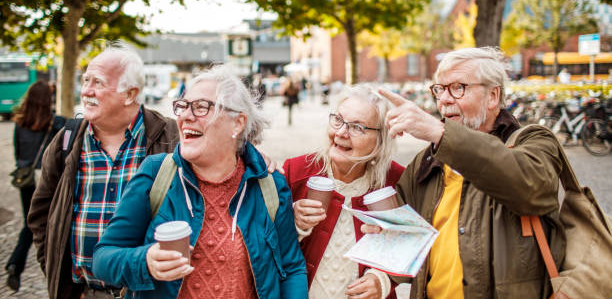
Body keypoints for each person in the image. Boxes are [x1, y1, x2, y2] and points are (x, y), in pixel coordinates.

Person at [92, 65, 308, 298]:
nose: (185, 116)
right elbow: (103, 259)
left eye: (201, 107)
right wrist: (145, 262)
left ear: (237, 123)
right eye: (182, 106)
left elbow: (291, 267)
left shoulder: (270, 185)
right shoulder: (157, 174)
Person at [370, 47, 565, 299]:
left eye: (458, 87)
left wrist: (440, 133)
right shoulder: (427, 161)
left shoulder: (534, 142)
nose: (445, 99)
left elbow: (530, 187)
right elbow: (405, 236)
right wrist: (381, 268)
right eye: (440, 89)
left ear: (492, 96)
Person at [28, 47, 179, 299]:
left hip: (146, 293)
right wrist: (57, 274)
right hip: (85, 294)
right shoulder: (66, 140)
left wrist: (256, 159)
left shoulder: (170, 137)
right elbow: (41, 215)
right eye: (86, 80)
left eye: (98, 82)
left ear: (130, 94)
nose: (86, 91)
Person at [283, 84, 404, 298]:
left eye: (357, 127)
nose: (341, 133)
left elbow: (414, 245)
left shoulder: (397, 181)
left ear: (381, 138)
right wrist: (291, 222)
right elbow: (263, 247)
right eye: (338, 120)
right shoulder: (296, 171)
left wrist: (383, 280)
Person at [5, 81, 66, 291]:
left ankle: (15, 264)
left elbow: (18, 152)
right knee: (45, 224)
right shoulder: (54, 122)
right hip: (46, 179)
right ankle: (47, 269)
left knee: (29, 222)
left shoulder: (20, 122)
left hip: (26, 178)